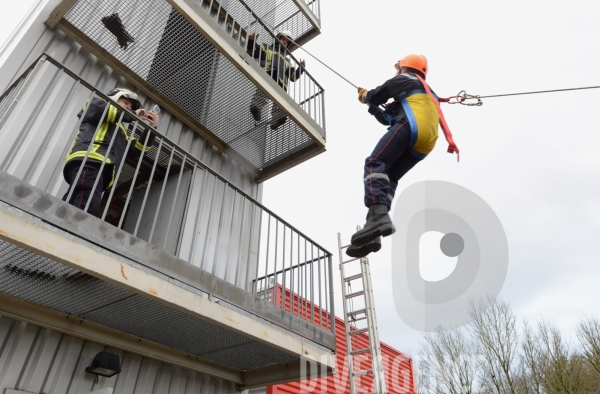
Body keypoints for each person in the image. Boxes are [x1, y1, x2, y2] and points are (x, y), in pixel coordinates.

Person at [346, 55, 459, 258]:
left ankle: (378, 216)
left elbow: (379, 94)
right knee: (389, 176)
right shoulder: (423, 92)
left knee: (375, 162)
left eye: (398, 68)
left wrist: (367, 97)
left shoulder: (407, 79)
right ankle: (375, 228)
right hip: (427, 140)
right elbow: (386, 118)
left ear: (404, 68)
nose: (396, 72)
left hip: (412, 125)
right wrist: (371, 107)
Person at [62, 88, 159, 216]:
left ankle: (56, 224)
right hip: (91, 159)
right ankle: (74, 228)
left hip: (100, 166)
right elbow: (102, 110)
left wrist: (151, 129)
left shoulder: (120, 131)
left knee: (76, 197)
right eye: (126, 103)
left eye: (130, 106)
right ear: (114, 97)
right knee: (87, 201)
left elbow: (137, 150)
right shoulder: (96, 104)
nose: (128, 107)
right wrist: (132, 114)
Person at [246, 30, 306, 130]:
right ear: (278, 39)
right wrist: (252, 41)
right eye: (283, 39)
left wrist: (301, 68)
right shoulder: (267, 48)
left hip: (281, 84)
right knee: (260, 97)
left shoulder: (287, 61)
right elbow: (253, 52)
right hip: (268, 76)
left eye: (287, 42)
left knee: (280, 110)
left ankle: (276, 121)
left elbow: (293, 77)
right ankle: (255, 107)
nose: (285, 42)